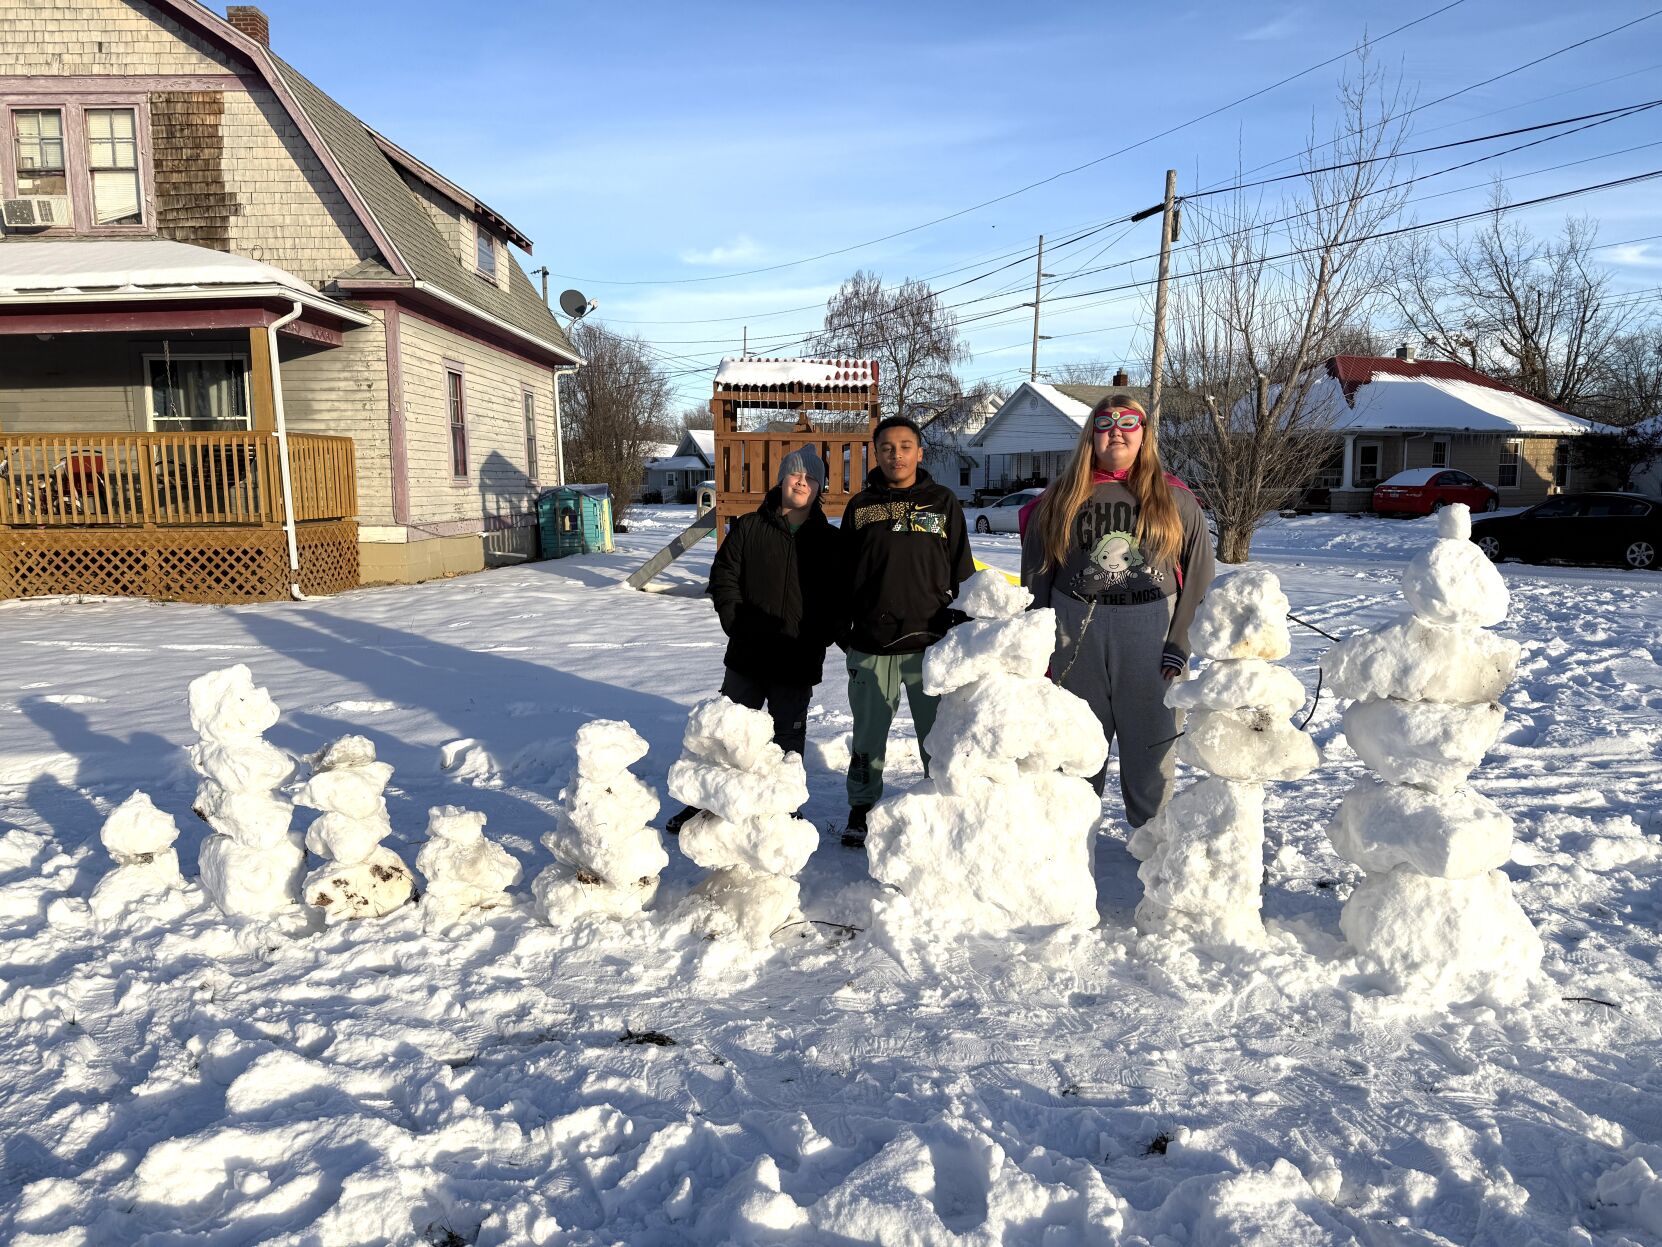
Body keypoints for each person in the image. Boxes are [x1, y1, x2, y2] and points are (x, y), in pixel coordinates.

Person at [1019, 394, 1215, 831]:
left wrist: (1179, 644)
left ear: (1144, 434)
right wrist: (1036, 650)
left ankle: (1151, 848)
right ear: (1091, 434)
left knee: (1151, 751)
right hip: (1075, 632)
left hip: (1149, 633)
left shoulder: (1174, 498)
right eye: (1106, 423)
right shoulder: (1062, 498)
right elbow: (1036, 574)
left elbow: (1200, 576)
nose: (1118, 431)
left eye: (1129, 423)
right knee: (1073, 749)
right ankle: (1067, 844)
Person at [664, 446, 843, 834]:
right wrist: (736, 622)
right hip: (748, 654)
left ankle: (786, 806)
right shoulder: (748, 527)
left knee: (788, 739)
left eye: (811, 478)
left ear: (820, 487)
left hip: (798, 658)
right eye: (795, 474)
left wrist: (820, 636)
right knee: (724, 734)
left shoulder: (830, 540)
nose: (802, 481)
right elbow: (724, 577)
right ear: (781, 479)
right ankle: (702, 802)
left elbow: (839, 598)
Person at [839, 414, 974, 847]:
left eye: (904, 446)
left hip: (931, 644)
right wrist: (845, 629)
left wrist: (964, 629)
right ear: (875, 454)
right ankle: (861, 807)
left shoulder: (943, 501)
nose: (895, 455)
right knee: (867, 735)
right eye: (885, 448)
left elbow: (962, 570)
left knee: (935, 737)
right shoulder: (860, 507)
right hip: (870, 643)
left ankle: (939, 805)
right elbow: (843, 574)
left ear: (919, 452)